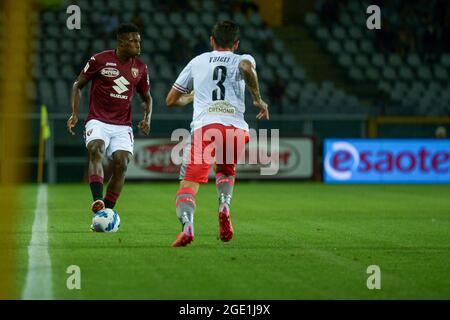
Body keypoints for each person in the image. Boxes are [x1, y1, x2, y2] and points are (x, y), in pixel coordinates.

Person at [166, 21, 269, 247]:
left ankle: (188, 226)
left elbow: (171, 100)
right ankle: (224, 204)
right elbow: (245, 68)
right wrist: (257, 99)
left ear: (211, 40)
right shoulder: (244, 57)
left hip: (206, 127)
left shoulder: (197, 61)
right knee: (225, 170)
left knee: (189, 183)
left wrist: (192, 96)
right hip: (236, 129)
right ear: (236, 43)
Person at [67, 23, 152, 223]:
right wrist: (74, 113)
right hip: (98, 120)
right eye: (133, 41)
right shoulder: (100, 60)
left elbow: (147, 97)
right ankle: (97, 201)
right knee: (96, 149)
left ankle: (106, 213)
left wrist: (147, 118)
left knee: (122, 163)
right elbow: (77, 85)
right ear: (121, 42)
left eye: (139, 41)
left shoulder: (140, 67)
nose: (138, 45)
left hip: (123, 125)